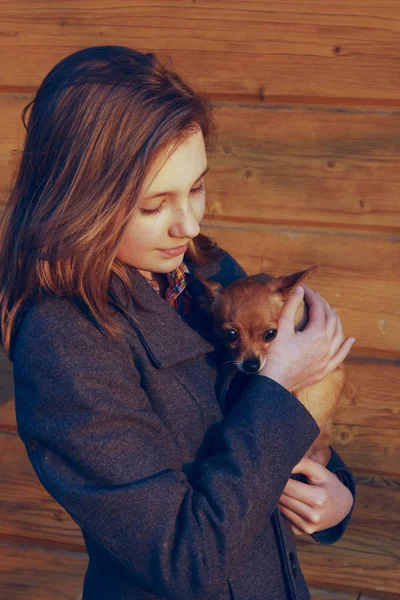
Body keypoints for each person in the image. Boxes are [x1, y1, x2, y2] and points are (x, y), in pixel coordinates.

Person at [0, 45, 356, 600]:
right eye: (153, 205)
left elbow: (275, 436)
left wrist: (334, 497)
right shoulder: (64, 341)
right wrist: (281, 383)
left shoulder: (204, 273)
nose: (188, 224)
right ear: (81, 200)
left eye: (196, 187)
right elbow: (183, 558)